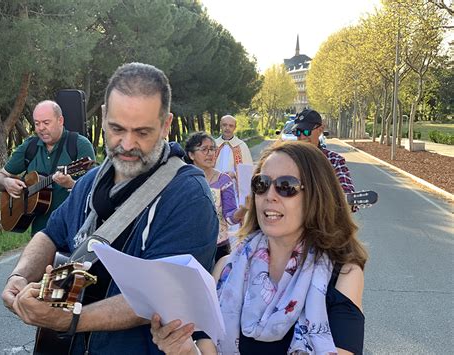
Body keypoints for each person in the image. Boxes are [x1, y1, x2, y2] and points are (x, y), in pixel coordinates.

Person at [1, 62, 219, 354]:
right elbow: (52, 234)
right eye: (117, 128)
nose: (127, 144)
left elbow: (160, 296)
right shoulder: (91, 181)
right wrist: (20, 276)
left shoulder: (189, 197)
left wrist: (71, 319)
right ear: (103, 116)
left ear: (166, 125)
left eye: (142, 132)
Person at [150, 141, 368, 355]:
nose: (269, 196)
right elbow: (207, 350)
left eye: (286, 186)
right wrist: (183, 349)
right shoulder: (226, 268)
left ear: (317, 195)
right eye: (261, 184)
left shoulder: (343, 276)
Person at [0, 100, 96, 234]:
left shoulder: (78, 145)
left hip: (73, 230)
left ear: (60, 120)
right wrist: (6, 182)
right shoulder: (30, 146)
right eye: (37, 123)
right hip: (40, 233)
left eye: (46, 123)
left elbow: (95, 188)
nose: (40, 128)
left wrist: (72, 184)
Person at [184, 131, 247, 261]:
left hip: (219, 247)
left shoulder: (223, 180)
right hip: (190, 248)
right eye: (204, 149)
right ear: (191, 155)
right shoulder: (183, 180)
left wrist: (244, 209)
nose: (210, 154)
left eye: (212, 149)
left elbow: (230, 218)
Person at [292, 109, 355, 195]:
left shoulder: (334, 160)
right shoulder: (289, 159)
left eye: (307, 131)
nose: (302, 136)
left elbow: (346, 190)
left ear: (320, 130)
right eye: (298, 132)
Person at [214, 114, 253, 184]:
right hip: (215, 184)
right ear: (220, 126)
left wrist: (235, 174)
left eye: (231, 126)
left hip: (234, 185)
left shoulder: (241, 146)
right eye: (224, 125)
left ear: (235, 128)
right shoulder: (213, 145)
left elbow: (248, 171)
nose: (227, 128)